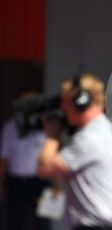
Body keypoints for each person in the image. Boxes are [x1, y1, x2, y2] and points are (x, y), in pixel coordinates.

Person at [37, 74, 112, 230]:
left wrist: (52, 135)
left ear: (81, 102)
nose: (63, 108)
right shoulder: (98, 130)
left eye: (66, 101)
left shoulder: (92, 137)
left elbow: (44, 167)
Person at [0, 94, 51, 230]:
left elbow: (53, 156)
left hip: (40, 181)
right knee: (14, 221)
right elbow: (4, 158)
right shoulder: (10, 127)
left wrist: (56, 185)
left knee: (43, 222)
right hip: (16, 182)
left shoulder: (46, 126)